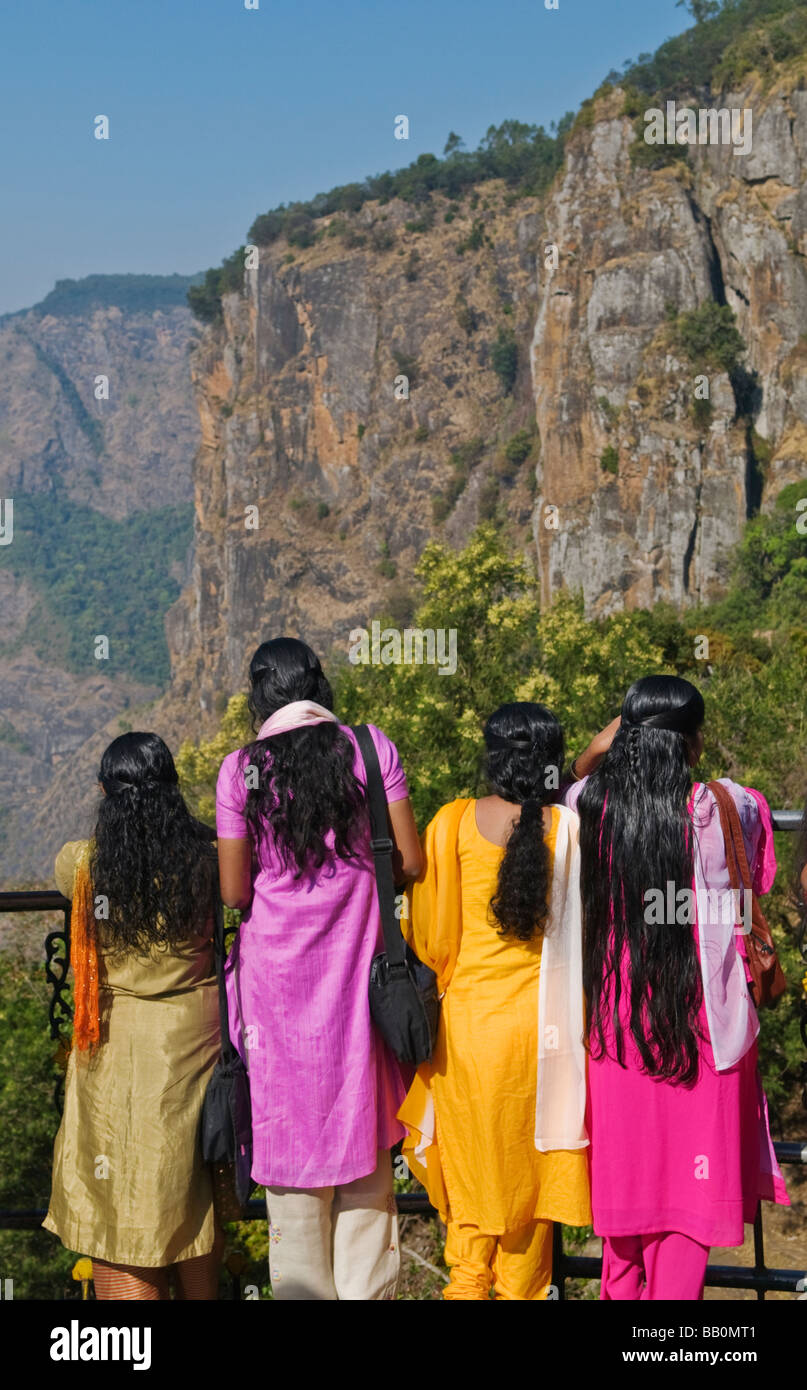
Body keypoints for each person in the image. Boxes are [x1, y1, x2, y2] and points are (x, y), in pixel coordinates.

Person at [565, 675, 789, 1301]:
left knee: (628, 1195)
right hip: (702, 1030)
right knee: (686, 1211)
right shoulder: (723, 809)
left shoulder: (593, 809)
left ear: (627, 739)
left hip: (619, 1025)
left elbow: (565, 783)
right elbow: (762, 864)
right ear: (691, 744)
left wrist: (602, 744)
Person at [215, 636, 421, 1301]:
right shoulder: (369, 748)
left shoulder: (239, 771)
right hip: (359, 980)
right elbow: (411, 862)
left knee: (291, 1157)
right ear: (320, 688)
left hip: (276, 987)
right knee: (365, 1152)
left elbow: (233, 891)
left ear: (258, 697)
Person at [397, 702, 591, 1300]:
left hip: (467, 1037)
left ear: (492, 757)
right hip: (544, 1041)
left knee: (472, 1200)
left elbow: (428, 939)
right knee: (528, 1203)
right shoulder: (567, 831)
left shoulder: (451, 823)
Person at [43, 732, 223, 1300]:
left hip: (117, 1043)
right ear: (172, 791)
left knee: (120, 1192)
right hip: (196, 1037)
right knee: (193, 1186)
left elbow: (76, 865)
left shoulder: (83, 864)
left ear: (104, 794)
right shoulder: (209, 859)